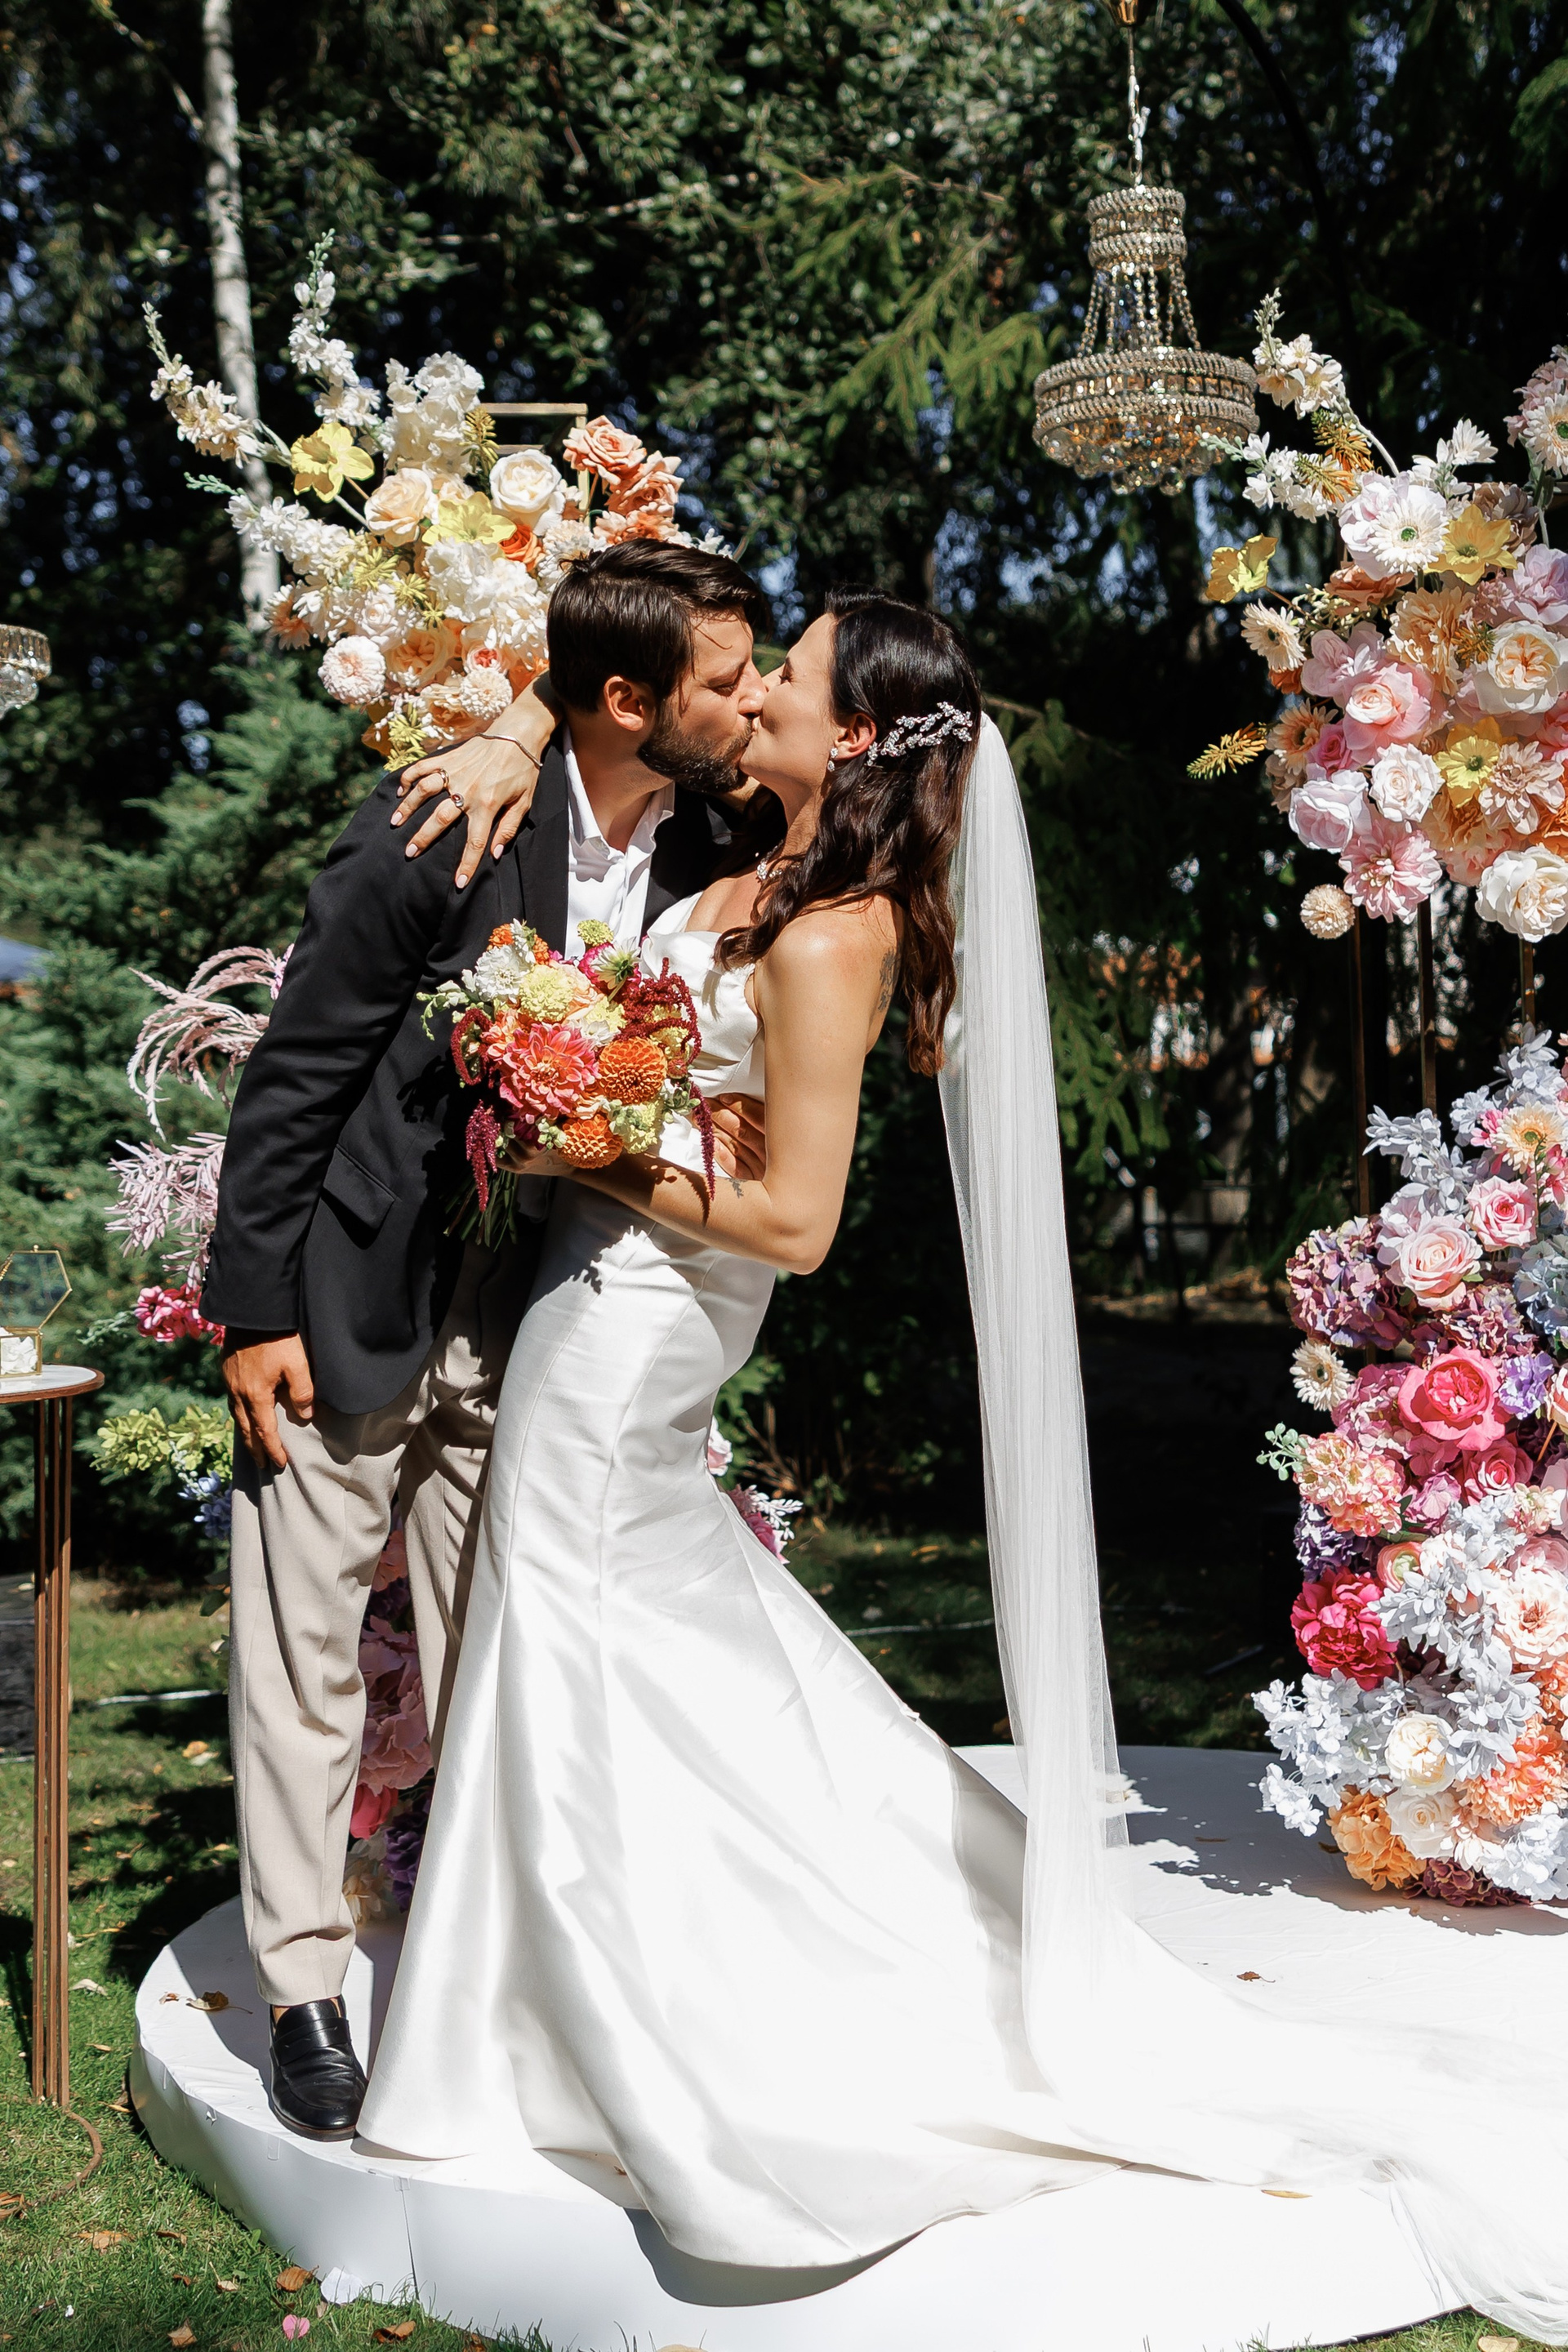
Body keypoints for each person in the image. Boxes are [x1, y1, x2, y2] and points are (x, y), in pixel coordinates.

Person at [359, 585, 1568, 2346]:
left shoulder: (838, 933)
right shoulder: (744, 871)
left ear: (852, 732)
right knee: (611, 1648)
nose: (753, 689)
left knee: (589, 1622)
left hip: (641, 1328)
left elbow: (795, 1219)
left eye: (785, 673)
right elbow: (605, 745)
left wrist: (580, 1147)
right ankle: (557, 1992)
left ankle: (593, 2019)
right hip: (590, 1304)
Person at [202, 540, 769, 2145]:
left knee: (497, 1657)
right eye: (726, 680)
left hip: (540, 1317)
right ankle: (304, 1990)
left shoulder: (719, 836)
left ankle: (481, 1970)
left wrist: (528, 713)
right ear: (627, 699)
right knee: (304, 1653)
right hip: (349, 1288)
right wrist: (254, 1311)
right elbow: (298, 1071)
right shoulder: (441, 825)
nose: (748, 703)